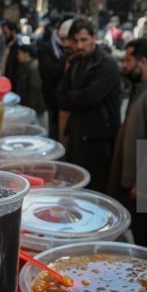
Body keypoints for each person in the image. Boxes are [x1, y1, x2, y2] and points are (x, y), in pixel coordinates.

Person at [107, 38, 147, 247]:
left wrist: (142, 182)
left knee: (143, 236)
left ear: (142, 62)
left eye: (128, 60)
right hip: (132, 176)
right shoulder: (143, 84)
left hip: (142, 185)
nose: (124, 65)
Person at [57, 16, 121, 192]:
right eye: (75, 40)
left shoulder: (107, 64)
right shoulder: (75, 61)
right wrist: (76, 97)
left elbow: (90, 97)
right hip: (78, 134)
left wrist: (73, 97)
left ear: (93, 37)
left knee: (96, 188)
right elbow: (61, 98)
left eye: (84, 40)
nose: (79, 45)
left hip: (99, 139)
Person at [38, 16, 71, 140]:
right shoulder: (46, 47)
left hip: (70, 102)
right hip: (53, 99)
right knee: (55, 133)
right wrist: (67, 57)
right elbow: (48, 72)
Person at [14, 42, 47, 126]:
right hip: (28, 106)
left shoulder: (33, 67)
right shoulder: (25, 66)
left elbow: (35, 88)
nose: (18, 56)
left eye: (19, 53)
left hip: (35, 108)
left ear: (27, 54)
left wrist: (30, 108)